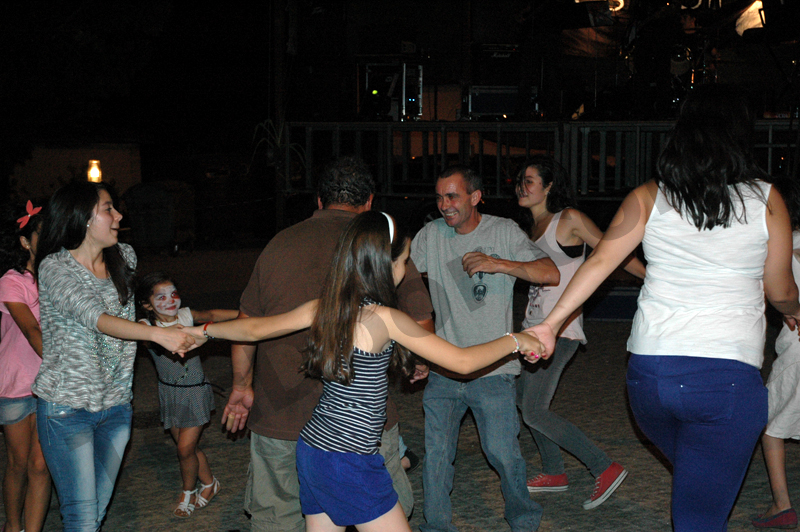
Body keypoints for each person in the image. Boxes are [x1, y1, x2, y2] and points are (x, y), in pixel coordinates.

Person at [523, 85, 800, 532]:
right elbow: (781, 291)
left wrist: (550, 324)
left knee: (697, 479)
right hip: (724, 382)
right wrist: (796, 309)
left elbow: (599, 264)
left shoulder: (647, 196)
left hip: (650, 381)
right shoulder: (767, 199)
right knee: (700, 512)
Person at [185, 211, 544, 532]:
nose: (406, 268)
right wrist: (517, 339)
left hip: (313, 449)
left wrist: (198, 333)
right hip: (350, 460)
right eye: (404, 260)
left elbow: (253, 328)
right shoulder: (385, 319)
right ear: (386, 264)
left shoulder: (327, 307)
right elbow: (462, 362)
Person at [223, 156, 433, 532]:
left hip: (281, 415)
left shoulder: (279, 244)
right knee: (381, 511)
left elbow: (247, 325)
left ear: (319, 200)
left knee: (279, 519)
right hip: (360, 429)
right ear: (370, 202)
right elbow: (421, 321)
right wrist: (417, 359)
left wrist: (241, 385)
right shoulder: (381, 247)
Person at [31, 181, 196, 532]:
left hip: (117, 406)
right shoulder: (55, 268)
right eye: (108, 209)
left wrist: (180, 326)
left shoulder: (125, 257)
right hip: (67, 408)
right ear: (82, 217)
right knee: (81, 519)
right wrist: (158, 334)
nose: (119, 215)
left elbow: (128, 315)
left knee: (96, 514)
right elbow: (97, 318)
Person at [410, 165, 560, 532]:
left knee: (503, 453)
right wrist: (417, 349)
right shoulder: (431, 235)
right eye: (439, 197)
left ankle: (524, 522)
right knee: (437, 457)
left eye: (452, 196)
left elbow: (550, 272)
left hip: (494, 370)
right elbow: (405, 285)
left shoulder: (502, 231)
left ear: (475, 197)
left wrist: (498, 264)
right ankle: (436, 527)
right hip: (444, 369)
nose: (444, 204)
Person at [514, 156, 646, 509]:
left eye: (529, 180)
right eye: (519, 180)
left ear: (549, 185)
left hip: (561, 331)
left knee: (534, 411)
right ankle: (554, 472)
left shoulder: (568, 219)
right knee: (523, 401)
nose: (521, 186)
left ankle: (604, 466)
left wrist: (652, 277)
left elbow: (612, 251)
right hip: (533, 330)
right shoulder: (532, 229)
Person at [135, 272, 238, 518]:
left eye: (174, 294)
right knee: (188, 448)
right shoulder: (146, 327)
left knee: (183, 450)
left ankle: (187, 492)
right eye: (161, 297)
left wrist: (247, 314)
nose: (170, 300)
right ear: (147, 304)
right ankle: (210, 483)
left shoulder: (186, 315)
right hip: (169, 393)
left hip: (195, 393)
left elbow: (212, 315)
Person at [752, 177, 800, 530]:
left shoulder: (784, 245)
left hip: (797, 346)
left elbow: (777, 291)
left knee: (769, 425)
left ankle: (782, 505)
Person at [0, 200, 50, 532]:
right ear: (24, 241)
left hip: (49, 385)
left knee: (40, 465)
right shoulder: (11, 281)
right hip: (16, 384)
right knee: (18, 463)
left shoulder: (59, 278)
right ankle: (13, 525)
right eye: (42, 234)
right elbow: (32, 330)